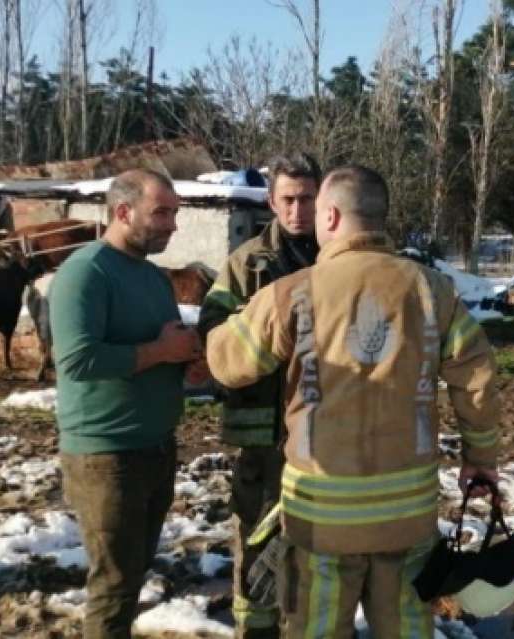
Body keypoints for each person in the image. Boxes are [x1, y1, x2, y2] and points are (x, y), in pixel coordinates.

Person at [206, 165, 501, 638]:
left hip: (322, 519)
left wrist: (239, 317)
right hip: (408, 516)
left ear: (331, 217)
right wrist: (480, 460)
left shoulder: (293, 293)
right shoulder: (433, 289)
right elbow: (479, 381)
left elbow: (226, 362)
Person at [49, 169, 205, 639]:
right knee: (113, 586)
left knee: (132, 576)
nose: (173, 224)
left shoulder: (154, 279)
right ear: (123, 211)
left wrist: (189, 365)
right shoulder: (86, 271)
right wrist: (162, 351)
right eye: (162, 212)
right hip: (105, 455)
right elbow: (77, 360)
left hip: (155, 448)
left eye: (175, 213)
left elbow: (160, 347)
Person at [197, 153, 322, 638]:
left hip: (327, 433)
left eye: (307, 199)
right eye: (287, 199)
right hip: (264, 434)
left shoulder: (338, 259)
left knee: (320, 541)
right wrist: (258, 323)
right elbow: (212, 329)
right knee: (257, 534)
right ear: (271, 201)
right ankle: (256, 628)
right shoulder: (246, 262)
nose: (297, 210)